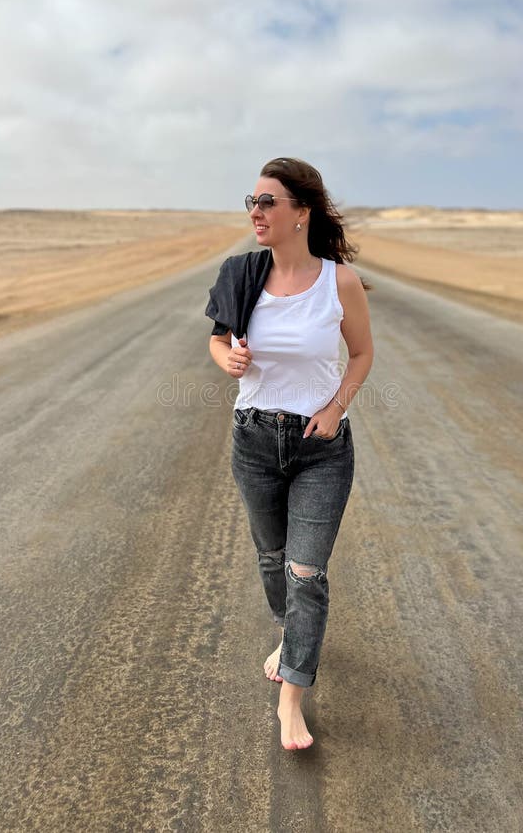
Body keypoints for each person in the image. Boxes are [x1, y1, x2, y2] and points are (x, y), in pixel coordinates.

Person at [207, 157, 373, 750]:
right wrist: (224, 358)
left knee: (307, 571)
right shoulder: (242, 273)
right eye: (251, 200)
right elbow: (218, 337)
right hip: (253, 439)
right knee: (273, 560)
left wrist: (333, 409)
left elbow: (360, 356)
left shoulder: (340, 283)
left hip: (320, 448)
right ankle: (291, 633)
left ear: (301, 213)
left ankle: (292, 696)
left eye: (268, 201)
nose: (256, 211)